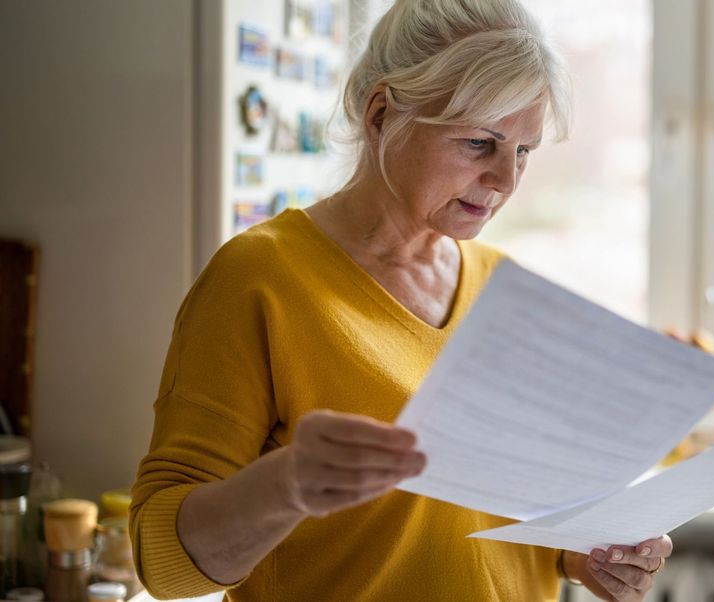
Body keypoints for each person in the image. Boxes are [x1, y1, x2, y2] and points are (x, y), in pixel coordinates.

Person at [129, 1, 671, 600]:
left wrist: (582, 553)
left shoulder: (502, 285)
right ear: (382, 114)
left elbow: (500, 516)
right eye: (479, 143)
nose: (506, 181)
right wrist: (284, 486)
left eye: (522, 151)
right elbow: (165, 565)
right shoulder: (260, 278)